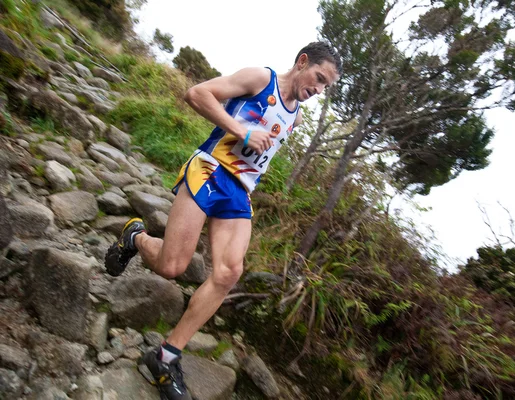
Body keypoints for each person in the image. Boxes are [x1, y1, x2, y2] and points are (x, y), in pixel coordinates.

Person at [104, 41, 341, 400]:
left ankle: (165, 356)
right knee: (172, 266)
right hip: (209, 170)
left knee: (229, 273)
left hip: (239, 191)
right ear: (302, 61)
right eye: (319, 78)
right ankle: (136, 236)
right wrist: (242, 131)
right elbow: (197, 93)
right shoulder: (261, 79)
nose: (319, 90)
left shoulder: (298, 115)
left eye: (326, 87)